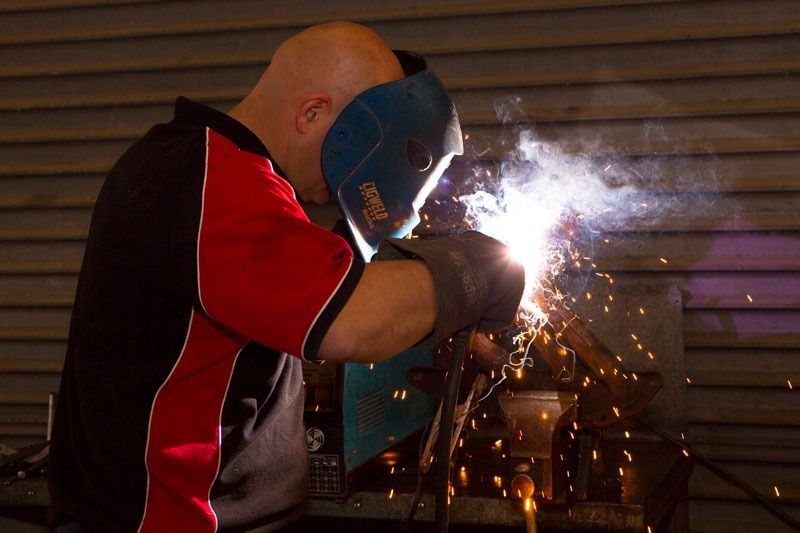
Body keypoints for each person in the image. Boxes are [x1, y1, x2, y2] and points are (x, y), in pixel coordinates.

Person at [48, 21, 524, 532]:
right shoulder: (211, 181)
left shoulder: (207, 171)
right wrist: (480, 269)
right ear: (313, 113)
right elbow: (352, 321)